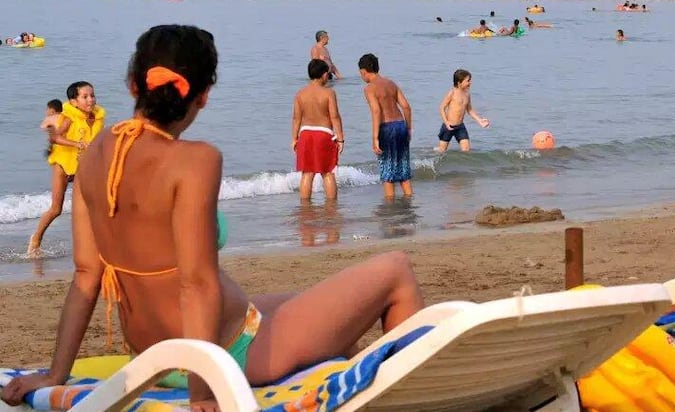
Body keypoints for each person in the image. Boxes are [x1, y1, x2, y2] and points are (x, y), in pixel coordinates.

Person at [0, 25, 425, 410]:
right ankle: (414, 399)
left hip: (151, 354)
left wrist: (55, 376)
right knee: (396, 269)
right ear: (204, 95)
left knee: (316, 308)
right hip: (225, 352)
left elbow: (85, 277)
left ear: (133, 85)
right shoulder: (195, 160)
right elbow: (197, 283)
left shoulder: (94, 154)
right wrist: (203, 393)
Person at [29, 82, 106, 256]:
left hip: (83, 167)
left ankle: (95, 244)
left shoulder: (98, 117)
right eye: (85, 97)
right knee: (56, 209)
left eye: (92, 95)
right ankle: (36, 239)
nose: (90, 100)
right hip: (63, 166)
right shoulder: (70, 117)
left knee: (93, 205)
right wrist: (77, 144)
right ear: (73, 102)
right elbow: (55, 138)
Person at [358, 54, 413, 198]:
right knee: (403, 170)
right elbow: (406, 107)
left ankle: (390, 207)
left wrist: (375, 138)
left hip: (387, 128)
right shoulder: (391, 84)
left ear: (363, 71)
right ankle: (409, 202)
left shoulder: (369, 88)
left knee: (388, 173)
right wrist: (408, 128)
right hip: (401, 125)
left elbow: (376, 111)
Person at [292, 59, 345, 201]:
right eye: (327, 74)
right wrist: (340, 139)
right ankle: (331, 206)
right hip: (323, 134)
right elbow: (335, 116)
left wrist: (294, 138)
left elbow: (296, 118)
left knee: (307, 173)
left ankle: (305, 206)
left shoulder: (300, 94)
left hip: (305, 134)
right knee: (327, 172)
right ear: (324, 74)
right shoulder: (329, 93)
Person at [438, 69, 490, 152]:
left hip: (460, 127)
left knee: (466, 150)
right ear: (459, 83)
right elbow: (442, 108)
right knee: (441, 151)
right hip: (448, 126)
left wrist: (480, 121)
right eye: (468, 81)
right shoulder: (452, 93)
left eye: (470, 80)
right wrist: (446, 123)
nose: (470, 82)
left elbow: (470, 110)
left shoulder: (467, 94)